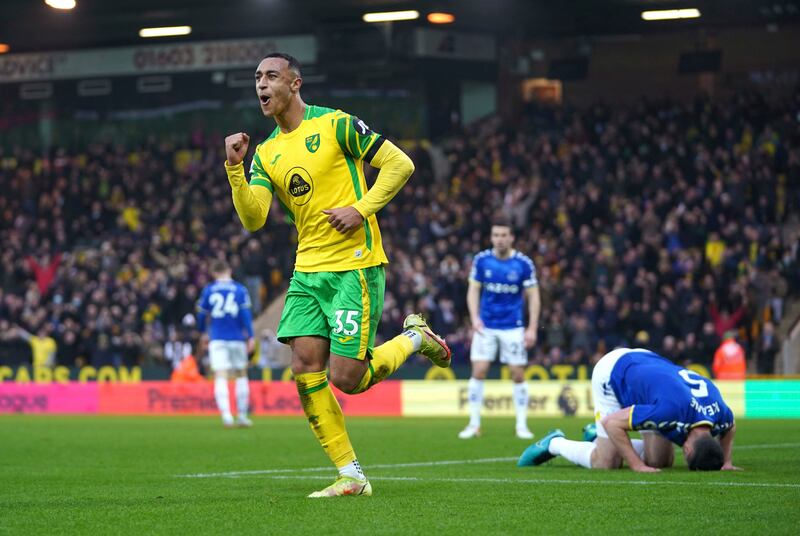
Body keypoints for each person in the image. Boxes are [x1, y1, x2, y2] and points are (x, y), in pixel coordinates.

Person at [223, 52, 451, 497]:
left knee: (349, 379)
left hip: (355, 265)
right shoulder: (266, 152)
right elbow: (254, 218)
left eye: (271, 76)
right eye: (257, 78)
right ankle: (351, 474)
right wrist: (235, 168)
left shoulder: (336, 124)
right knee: (305, 367)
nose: (261, 85)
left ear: (295, 83)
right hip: (308, 271)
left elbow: (400, 164)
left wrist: (360, 209)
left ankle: (415, 338)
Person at [518, 347, 740, 472]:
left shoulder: (719, 414)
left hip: (648, 366)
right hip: (613, 373)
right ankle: (555, 443)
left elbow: (730, 427)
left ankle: (597, 437)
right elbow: (612, 422)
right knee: (606, 462)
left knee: (660, 461)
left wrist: (726, 461)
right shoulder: (668, 412)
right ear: (688, 451)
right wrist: (636, 464)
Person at [459, 217, 540, 439]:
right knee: (479, 371)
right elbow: (473, 290)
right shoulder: (482, 260)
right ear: (491, 237)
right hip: (486, 325)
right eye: (496, 235)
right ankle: (474, 424)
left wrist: (531, 328)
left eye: (504, 235)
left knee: (517, 373)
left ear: (512, 237)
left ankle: (521, 425)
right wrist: (474, 318)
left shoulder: (523, 264)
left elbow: (534, 297)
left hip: (513, 327)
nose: (500, 239)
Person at [196, 260, 255, 428]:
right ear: (229, 270)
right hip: (236, 338)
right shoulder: (240, 289)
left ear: (214, 273)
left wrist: (202, 333)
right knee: (241, 374)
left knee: (220, 375)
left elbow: (201, 315)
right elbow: (245, 315)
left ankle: (227, 417)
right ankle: (242, 416)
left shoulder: (208, 290)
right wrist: (250, 336)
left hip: (217, 338)